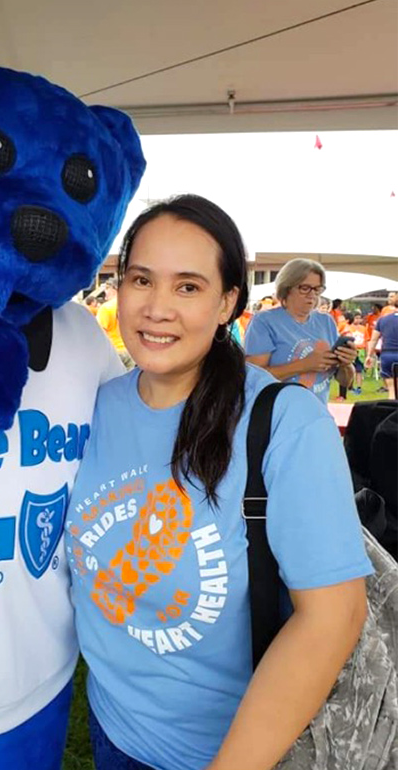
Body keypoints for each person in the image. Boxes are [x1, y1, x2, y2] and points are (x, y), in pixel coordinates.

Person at [65, 195, 371, 770]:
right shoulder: (96, 405)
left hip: (232, 752)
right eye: (141, 279)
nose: (157, 308)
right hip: (112, 727)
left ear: (228, 300)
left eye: (188, 287)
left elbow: (333, 617)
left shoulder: (284, 420)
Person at [244, 259, 356, 404]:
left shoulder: (326, 322)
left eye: (317, 289)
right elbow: (254, 380)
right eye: (305, 288)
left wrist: (346, 363)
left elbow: (346, 382)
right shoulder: (264, 321)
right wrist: (305, 365)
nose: (312, 295)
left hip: (317, 414)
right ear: (287, 288)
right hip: (276, 415)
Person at [97, 276, 133, 369]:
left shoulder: (106, 308)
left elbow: (100, 333)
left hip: (113, 351)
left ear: (114, 288)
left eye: (107, 288)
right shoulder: (130, 306)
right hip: (129, 350)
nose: (105, 292)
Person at [366, 298, 398, 399]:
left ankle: (393, 411)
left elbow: (374, 340)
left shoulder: (383, 320)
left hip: (387, 354)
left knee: (392, 388)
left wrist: (369, 355)